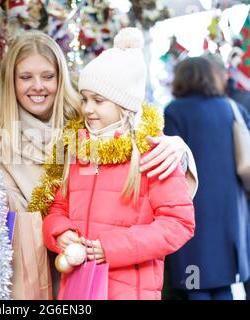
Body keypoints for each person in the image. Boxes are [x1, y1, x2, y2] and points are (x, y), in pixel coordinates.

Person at [0, 30, 198, 300]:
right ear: (11, 81)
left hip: (93, 273)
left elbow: (136, 133)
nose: (38, 86)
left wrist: (178, 146)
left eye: (48, 77)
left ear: (61, 79)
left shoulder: (84, 119)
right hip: (27, 266)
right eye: (25, 77)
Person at [41, 28, 195, 300]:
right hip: (78, 288)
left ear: (124, 105)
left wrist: (110, 248)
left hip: (129, 291)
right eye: (85, 99)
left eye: (98, 101)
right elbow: (57, 206)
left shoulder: (153, 152)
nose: (88, 109)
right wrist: (59, 231)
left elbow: (179, 223)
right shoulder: (76, 149)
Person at [164, 56, 250, 300]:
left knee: (196, 283)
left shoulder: (174, 111)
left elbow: (172, 164)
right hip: (231, 210)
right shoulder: (231, 108)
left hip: (192, 208)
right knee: (224, 283)